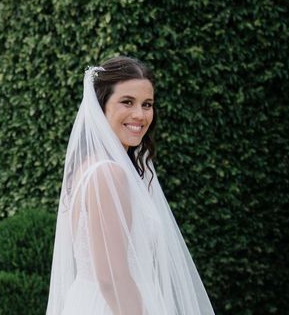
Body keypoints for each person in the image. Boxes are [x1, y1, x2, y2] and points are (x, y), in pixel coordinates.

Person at [46, 56, 215, 315]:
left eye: (147, 104)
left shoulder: (92, 167)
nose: (140, 114)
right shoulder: (108, 173)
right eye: (127, 102)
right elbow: (111, 278)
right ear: (100, 106)